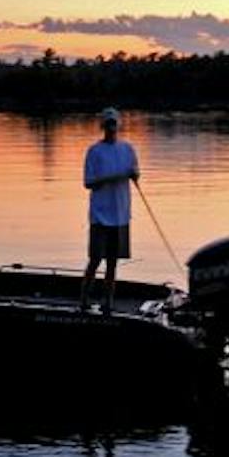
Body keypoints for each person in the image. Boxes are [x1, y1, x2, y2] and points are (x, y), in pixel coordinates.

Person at [80, 107, 139, 312]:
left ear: (118, 125)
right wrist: (114, 177)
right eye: (108, 123)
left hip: (121, 215)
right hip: (99, 215)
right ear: (102, 126)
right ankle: (84, 299)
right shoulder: (94, 151)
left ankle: (108, 302)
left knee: (112, 263)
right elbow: (88, 183)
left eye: (114, 123)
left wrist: (133, 175)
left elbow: (135, 173)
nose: (111, 127)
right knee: (95, 259)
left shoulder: (128, 149)